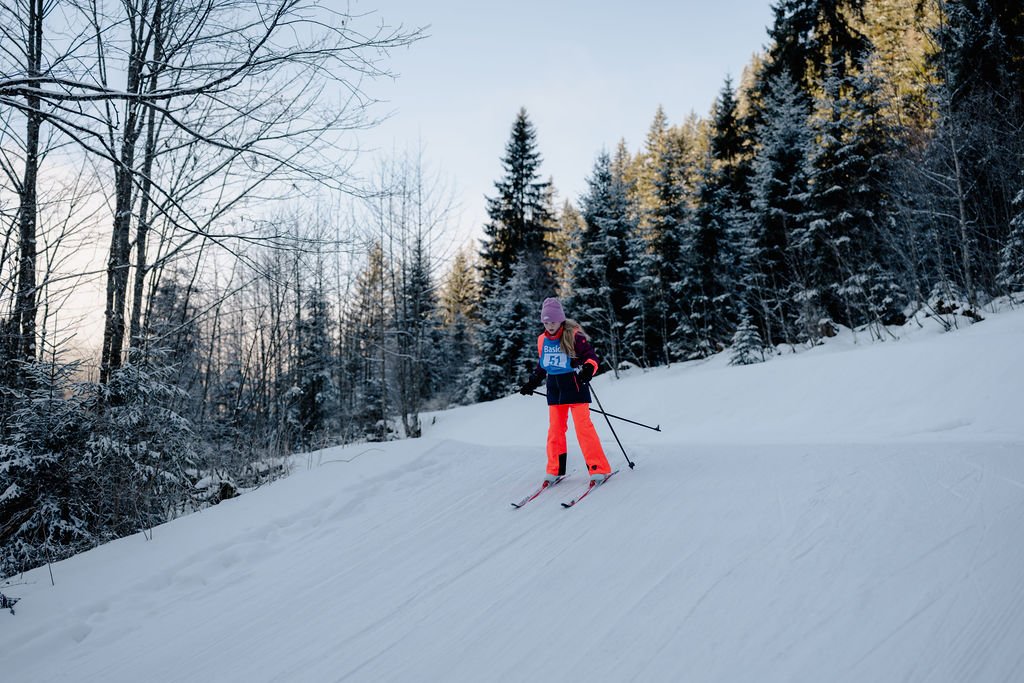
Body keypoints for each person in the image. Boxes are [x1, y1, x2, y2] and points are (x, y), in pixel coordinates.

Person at [518, 297, 612, 484]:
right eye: (546, 322)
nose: (550, 326)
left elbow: (591, 357)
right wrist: (532, 382)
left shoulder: (574, 336)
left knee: (583, 429)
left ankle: (598, 468)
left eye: (553, 322)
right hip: (554, 389)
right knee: (555, 431)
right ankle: (555, 470)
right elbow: (542, 364)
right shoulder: (542, 340)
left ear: (560, 319)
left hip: (575, 385)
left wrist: (588, 369)